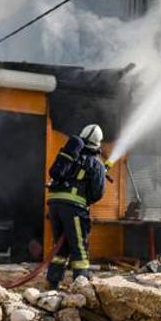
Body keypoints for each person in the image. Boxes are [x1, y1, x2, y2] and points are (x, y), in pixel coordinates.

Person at [45, 124, 106, 290]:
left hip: (54, 204)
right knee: (79, 247)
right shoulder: (96, 164)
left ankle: (52, 282)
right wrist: (85, 199)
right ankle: (81, 285)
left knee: (60, 245)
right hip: (73, 208)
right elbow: (97, 193)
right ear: (97, 144)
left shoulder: (70, 156)